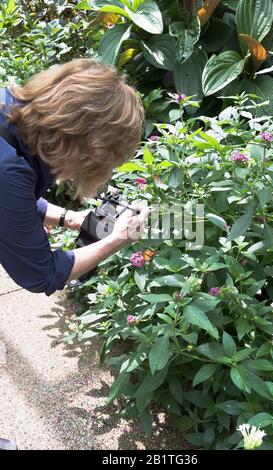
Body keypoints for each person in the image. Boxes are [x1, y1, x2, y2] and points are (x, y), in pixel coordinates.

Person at [0, 58, 148, 449]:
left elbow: (9, 204)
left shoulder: (8, 112)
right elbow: (41, 274)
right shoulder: (8, 171)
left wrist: (74, 219)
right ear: (87, 145)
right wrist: (116, 239)